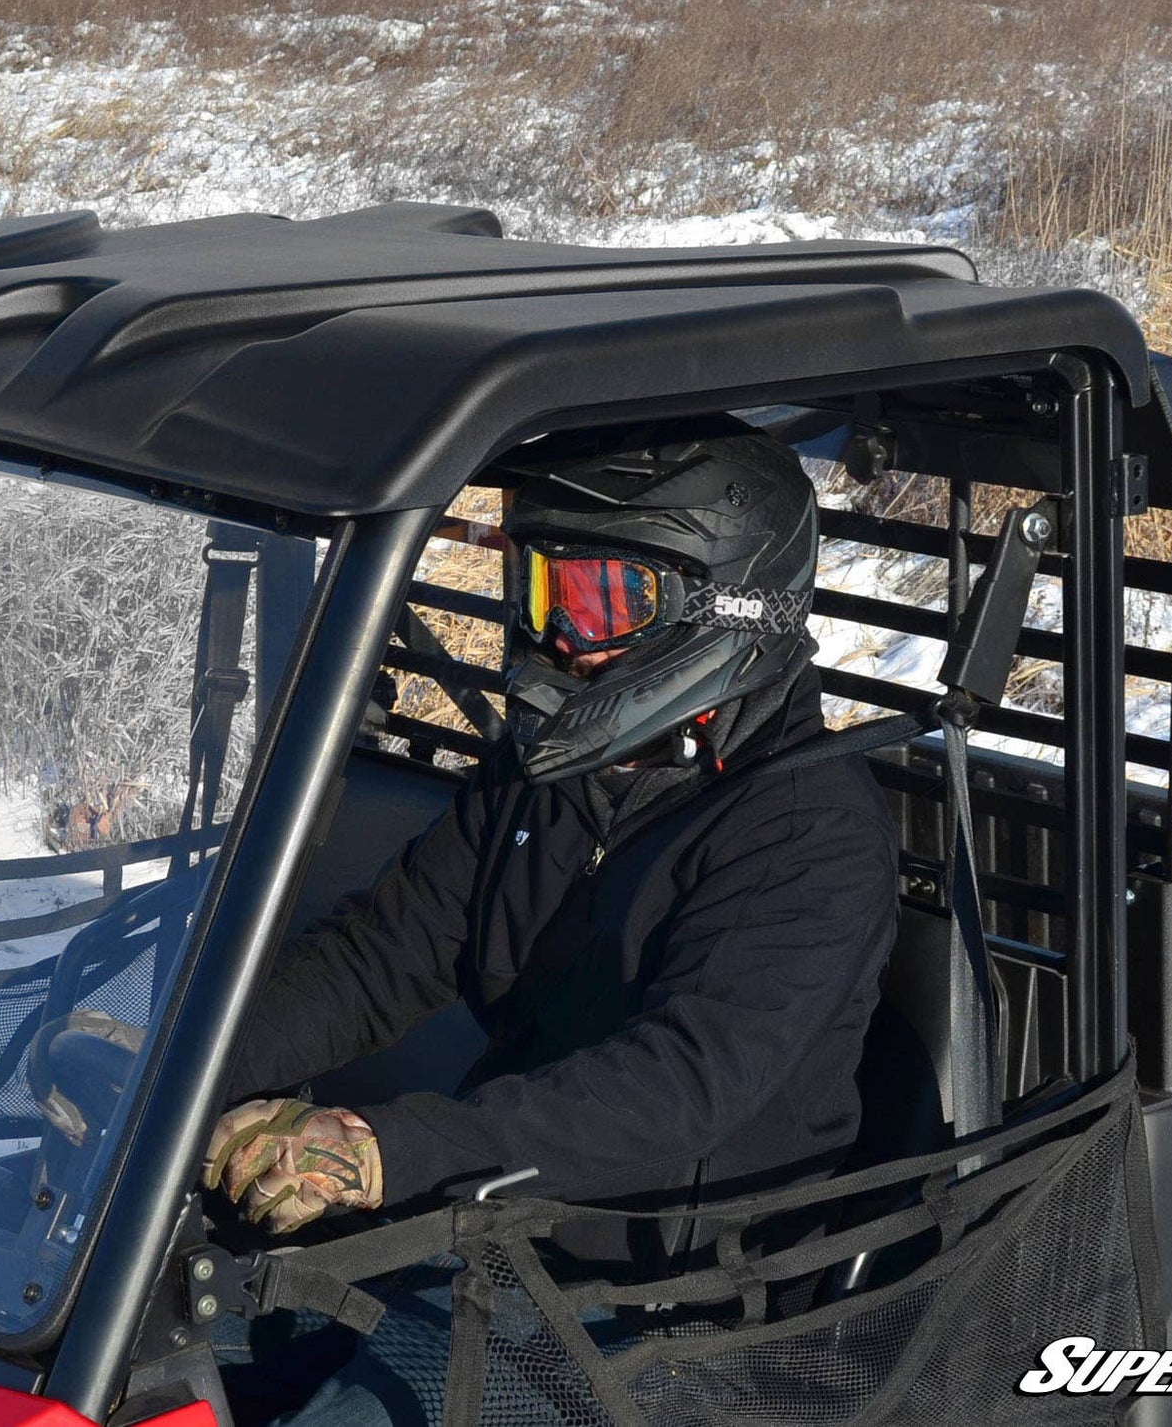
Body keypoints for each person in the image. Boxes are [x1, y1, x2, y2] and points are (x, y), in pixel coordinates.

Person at [202, 415, 899, 1423]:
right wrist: (182, 1073)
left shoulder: (805, 832)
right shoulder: (556, 776)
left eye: (592, 600)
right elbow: (376, 959)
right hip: (489, 1248)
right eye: (533, 587)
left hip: (659, 1313)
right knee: (152, 1341)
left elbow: (674, 1089)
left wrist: (381, 1149)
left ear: (727, 602)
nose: (552, 638)